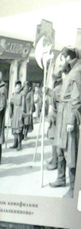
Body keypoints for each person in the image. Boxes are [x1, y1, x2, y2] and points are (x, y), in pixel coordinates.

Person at [51, 47, 81, 198]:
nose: (60, 61)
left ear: (68, 58)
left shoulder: (77, 72)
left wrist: (71, 120)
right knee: (60, 148)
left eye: (62, 58)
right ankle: (61, 178)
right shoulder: (70, 71)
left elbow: (76, 98)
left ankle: (73, 187)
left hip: (69, 114)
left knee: (71, 152)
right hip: (62, 113)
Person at [8, 81, 26, 151]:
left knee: (19, 129)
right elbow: (11, 105)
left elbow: (23, 105)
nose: (18, 88)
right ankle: (15, 143)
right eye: (16, 87)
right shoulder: (13, 95)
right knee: (14, 129)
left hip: (19, 112)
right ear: (15, 87)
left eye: (19, 87)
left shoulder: (22, 95)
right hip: (14, 113)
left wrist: (22, 114)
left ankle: (19, 144)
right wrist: (10, 111)